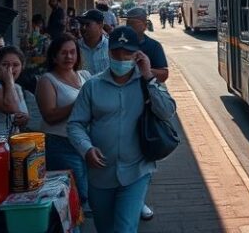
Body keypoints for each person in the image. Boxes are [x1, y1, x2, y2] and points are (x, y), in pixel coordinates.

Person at [68, 26, 177, 233]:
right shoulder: (92, 86)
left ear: (137, 54)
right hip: (100, 174)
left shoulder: (147, 83)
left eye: (127, 53)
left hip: (137, 170)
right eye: (116, 52)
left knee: (125, 229)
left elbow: (167, 111)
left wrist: (149, 76)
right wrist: (86, 148)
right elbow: (75, 124)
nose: (121, 57)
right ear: (109, 53)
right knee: (105, 227)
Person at [36, 34, 92, 204]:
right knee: (77, 194)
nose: (69, 57)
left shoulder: (85, 76)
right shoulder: (47, 80)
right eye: (63, 53)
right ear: (54, 56)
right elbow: (49, 116)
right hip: (60, 144)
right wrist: (79, 102)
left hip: (86, 142)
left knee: (86, 192)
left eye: (72, 52)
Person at [125, 6, 169, 220]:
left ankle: (138, 201)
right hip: (119, 106)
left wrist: (146, 71)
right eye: (127, 23)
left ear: (143, 23)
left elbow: (164, 74)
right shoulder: (121, 44)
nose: (129, 27)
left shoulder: (153, 46)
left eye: (133, 23)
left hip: (145, 111)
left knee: (144, 160)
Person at [78, 9, 110, 75]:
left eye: (87, 24)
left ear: (100, 25)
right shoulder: (75, 48)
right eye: (81, 24)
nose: (83, 28)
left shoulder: (110, 46)